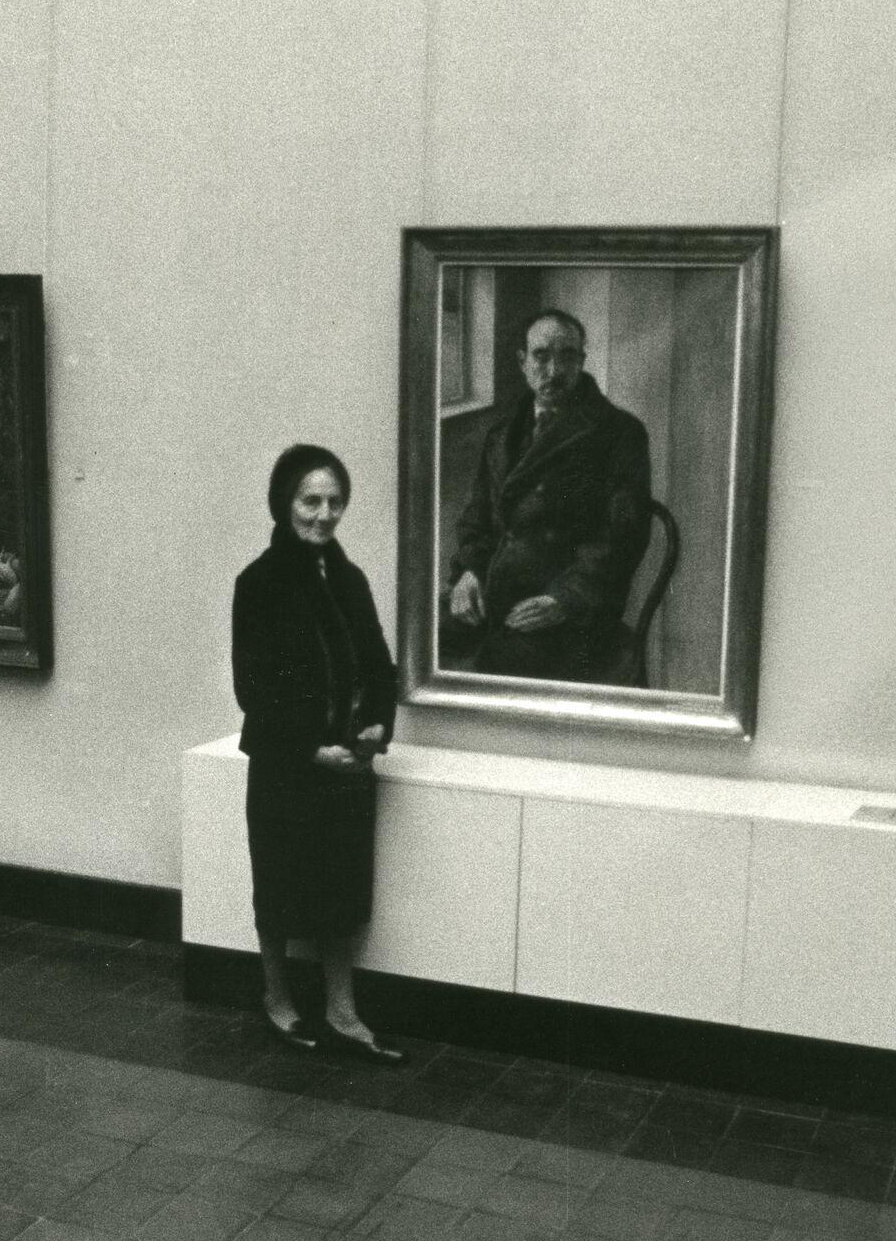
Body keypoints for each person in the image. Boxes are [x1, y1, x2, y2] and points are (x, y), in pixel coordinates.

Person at [232, 443, 404, 1064]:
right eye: (311, 501)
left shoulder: (349, 579)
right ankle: (277, 999)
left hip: (347, 767)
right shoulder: (258, 583)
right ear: (284, 503)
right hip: (286, 766)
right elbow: (253, 689)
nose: (324, 514)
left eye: (335, 501)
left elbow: (379, 665)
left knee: (341, 892)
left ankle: (342, 1010)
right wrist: (311, 749)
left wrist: (376, 727)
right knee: (278, 887)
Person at [445, 309, 652, 681]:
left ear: (582, 361)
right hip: (496, 588)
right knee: (428, 642)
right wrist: (470, 570)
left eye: (567, 356)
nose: (554, 371)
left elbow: (623, 538)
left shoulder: (620, 433)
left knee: (501, 671)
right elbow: (478, 515)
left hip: (573, 608)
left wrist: (565, 599)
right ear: (522, 361)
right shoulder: (502, 434)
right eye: (541, 356)